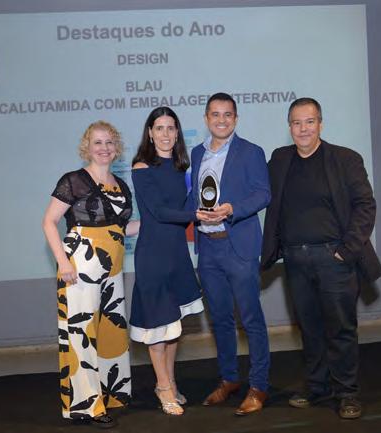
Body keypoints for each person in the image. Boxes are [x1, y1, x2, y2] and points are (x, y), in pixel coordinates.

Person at [261, 97, 381, 419]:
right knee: (309, 328)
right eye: (296, 123)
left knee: (340, 329)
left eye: (309, 121)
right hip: (295, 261)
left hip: (335, 260)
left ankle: (347, 393)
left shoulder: (345, 159)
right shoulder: (280, 159)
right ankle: (317, 387)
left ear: (320, 124)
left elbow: (365, 206)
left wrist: (346, 251)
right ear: (289, 127)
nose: (303, 129)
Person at [42, 120, 138, 428]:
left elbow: (122, 228)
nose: (104, 148)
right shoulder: (73, 180)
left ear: (117, 147)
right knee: (81, 334)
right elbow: (49, 222)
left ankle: (111, 393)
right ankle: (86, 405)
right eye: (98, 142)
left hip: (114, 267)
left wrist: (162, 222)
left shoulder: (121, 185)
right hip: (80, 265)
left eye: (109, 142)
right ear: (87, 147)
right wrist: (63, 263)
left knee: (111, 331)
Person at [188, 92, 271, 416]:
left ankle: (259, 385)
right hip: (208, 248)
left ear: (235, 119)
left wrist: (232, 208)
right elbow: (194, 196)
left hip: (239, 247)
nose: (221, 120)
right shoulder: (197, 153)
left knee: (251, 320)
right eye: (215, 114)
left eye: (227, 115)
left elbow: (263, 193)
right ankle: (229, 379)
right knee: (220, 319)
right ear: (206, 118)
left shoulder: (251, 152)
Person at [129, 106, 206, 416]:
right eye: (159, 128)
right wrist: (196, 215)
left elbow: (186, 207)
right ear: (150, 133)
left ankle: (170, 382)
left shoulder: (180, 167)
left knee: (174, 327)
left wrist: (203, 209)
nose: (165, 133)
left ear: (177, 133)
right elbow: (159, 212)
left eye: (170, 128)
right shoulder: (141, 167)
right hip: (153, 255)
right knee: (158, 327)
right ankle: (162, 387)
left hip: (177, 254)